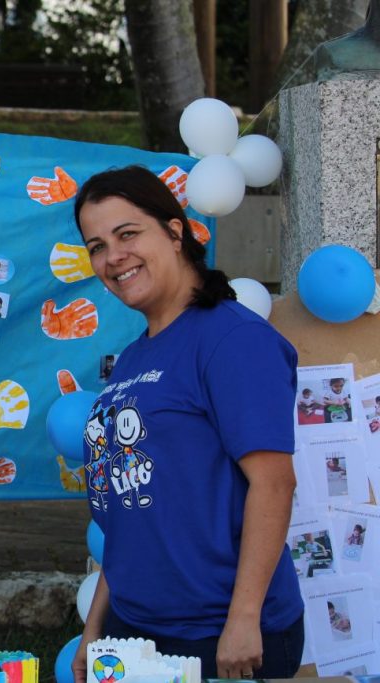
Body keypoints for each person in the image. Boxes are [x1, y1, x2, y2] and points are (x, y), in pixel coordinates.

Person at [71, 166, 303, 679]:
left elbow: (274, 483)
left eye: (127, 234)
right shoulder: (134, 358)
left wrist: (244, 621)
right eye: (96, 246)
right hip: (132, 629)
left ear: (175, 232)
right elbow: (131, 505)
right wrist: (96, 628)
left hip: (216, 635)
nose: (113, 257)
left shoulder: (232, 340)